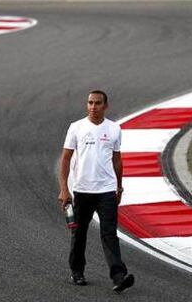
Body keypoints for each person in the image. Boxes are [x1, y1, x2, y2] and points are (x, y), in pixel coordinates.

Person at [58, 90, 135, 293]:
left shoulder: (114, 129)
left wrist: (119, 186)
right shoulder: (76, 127)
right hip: (82, 190)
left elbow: (117, 160)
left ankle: (119, 276)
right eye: (90, 103)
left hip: (107, 191)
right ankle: (77, 271)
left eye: (98, 103)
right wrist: (64, 189)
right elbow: (66, 159)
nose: (93, 106)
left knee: (109, 234)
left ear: (105, 106)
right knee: (79, 233)